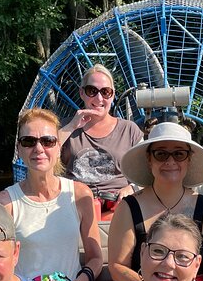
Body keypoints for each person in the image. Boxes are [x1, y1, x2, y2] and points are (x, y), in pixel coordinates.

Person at [0, 108, 102, 281]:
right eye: (29, 141)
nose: (39, 148)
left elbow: (95, 258)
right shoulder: (4, 203)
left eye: (47, 141)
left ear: (58, 146)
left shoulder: (80, 195)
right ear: (19, 149)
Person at [108, 121, 203, 281]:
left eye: (179, 154)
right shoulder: (128, 208)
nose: (170, 161)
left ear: (189, 159)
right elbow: (117, 266)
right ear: (149, 159)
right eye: (161, 154)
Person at [59, 64, 144, 205]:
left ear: (113, 95)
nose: (99, 98)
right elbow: (44, 155)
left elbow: (147, 173)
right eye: (92, 91)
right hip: (74, 205)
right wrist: (71, 126)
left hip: (118, 205)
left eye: (105, 92)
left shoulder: (129, 130)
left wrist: (131, 188)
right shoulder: (65, 127)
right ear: (81, 93)